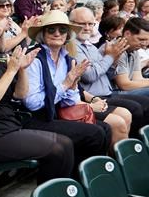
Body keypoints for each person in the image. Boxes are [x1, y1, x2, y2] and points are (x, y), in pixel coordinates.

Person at [0, 21, 74, 183]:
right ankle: (50, 196)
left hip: (11, 128)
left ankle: (57, 193)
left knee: (66, 143)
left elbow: (20, 93)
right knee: (56, 149)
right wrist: (11, 70)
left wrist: (21, 69)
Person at [23, 10, 110, 169]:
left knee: (105, 129)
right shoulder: (34, 58)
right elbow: (33, 103)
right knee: (94, 134)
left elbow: (70, 101)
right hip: (36, 118)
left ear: (67, 35)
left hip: (57, 113)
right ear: (43, 33)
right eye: (51, 29)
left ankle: (86, 176)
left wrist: (73, 86)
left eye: (62, 29)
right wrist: (66, 83)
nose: (57, 33)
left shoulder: (66, 58)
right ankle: (79, 179)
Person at [70, 7, 149, 137]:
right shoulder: (72, 46)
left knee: (144, 104)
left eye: (90, 24)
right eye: (82, 24)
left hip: (106, 92)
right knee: (136, 108)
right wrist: (110, 57)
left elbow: (105, 74)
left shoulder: (91, 47)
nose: (87, 28)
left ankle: (141, 142)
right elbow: (89, 75)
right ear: (71, 24)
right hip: (94, 96)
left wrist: (112, 62)